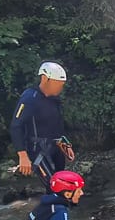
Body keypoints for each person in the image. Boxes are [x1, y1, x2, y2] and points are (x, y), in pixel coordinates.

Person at [10, 61, 75, 192]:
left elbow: (57, 124)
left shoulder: (54, 99)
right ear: (45, 79)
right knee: (54, 187)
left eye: (62, 85)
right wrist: (22, 155)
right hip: (38, 150)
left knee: (62, 183)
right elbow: (16, 126)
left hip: (56, 148)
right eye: (57, 84)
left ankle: (56, 211)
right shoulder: (30, 98)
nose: (60, 88)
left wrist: (65, 144)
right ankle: (50, 211)